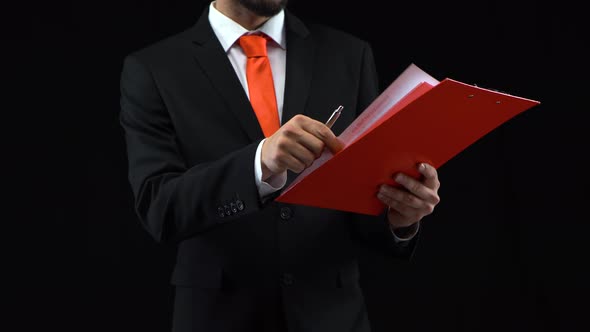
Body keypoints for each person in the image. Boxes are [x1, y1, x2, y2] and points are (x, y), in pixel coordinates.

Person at [119, 0, 441, 331]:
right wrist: (259, 163)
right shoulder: (154, 68)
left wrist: (398, 217)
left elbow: (361, 205)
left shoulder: (349, 54)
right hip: (219, 317)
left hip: (332, 318)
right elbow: (160, 208)